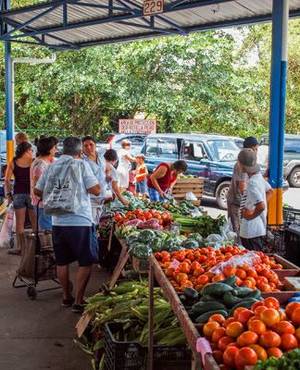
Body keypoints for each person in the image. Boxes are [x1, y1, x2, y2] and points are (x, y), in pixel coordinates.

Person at [34, 137, 100, 313]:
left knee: (62, 262)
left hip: (58, 222)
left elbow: (37, 191)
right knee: (86, 262)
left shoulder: (51, 167)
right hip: (80, 221)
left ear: (62, 150)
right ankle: (78, 301)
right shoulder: (81, 165)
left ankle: (66, 297)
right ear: (79, 152)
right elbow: (96, 189)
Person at [4, 142, 36, 254]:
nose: (32, 152)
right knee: (34, 222)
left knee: (19, 224)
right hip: (32, 194)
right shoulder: (33, 161)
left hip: (18, 194)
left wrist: (8, 195)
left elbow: (7, 180)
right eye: (31, 150)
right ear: (26, 150)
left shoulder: (13, 162)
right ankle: (35, 248)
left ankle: (21, 249)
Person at [239, 149, 274, 251]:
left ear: (242, 165)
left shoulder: (252, 183)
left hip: (250, 231)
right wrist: (256, 207)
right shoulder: (258, 177)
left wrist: (250, 215)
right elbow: (270, 191)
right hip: (258, 229)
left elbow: (261, 206)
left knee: (252, 259)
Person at [227, 136, 260, 236]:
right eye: (256, 149)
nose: (256, 152)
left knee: (240, 229)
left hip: (240, 202)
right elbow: (242, 185)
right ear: (251, 148)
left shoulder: (248, 161)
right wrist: (249, 202)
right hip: (236, 201)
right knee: (237, 230)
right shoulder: (242, 163)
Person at [30, 137, 58, 231]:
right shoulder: (40, 165)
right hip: (43, 205)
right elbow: (38, 188)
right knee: (47, 233)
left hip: (47, 204)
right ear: (49, 149)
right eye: (54, 147)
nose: (56, 150)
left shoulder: (46, 161)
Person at [82, 136, 106, 224]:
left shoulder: (101, 157)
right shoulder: (83, 162)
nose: (88, 147)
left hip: (103, 197)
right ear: (82, 148)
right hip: (90, 199)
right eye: (85, 146)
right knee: (91, 224)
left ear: (95, 145)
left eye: (91, 144)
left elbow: (104, 172)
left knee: (99, 224)